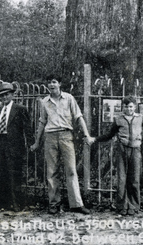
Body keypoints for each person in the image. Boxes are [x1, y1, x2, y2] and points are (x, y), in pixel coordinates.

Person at [87, 96, 143, 216]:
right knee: (121, 179)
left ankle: (134, 206)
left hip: (135, 150)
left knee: (134, 179)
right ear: (122, 107)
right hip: (122, 150)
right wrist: (95, 139)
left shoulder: (140, 118)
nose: (128, 109)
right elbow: (109, 135)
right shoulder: (118, 119)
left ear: (134, 107)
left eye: (130, 106)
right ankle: (122, 206)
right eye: (126, 106)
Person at [30, 75, 92, 215]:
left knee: (71, 170)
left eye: (54, 82)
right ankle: (54, 204)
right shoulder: (45, 101)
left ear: (59, 84)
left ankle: (76, 204)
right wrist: (37, 141)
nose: (51, 85)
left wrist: (86, 134)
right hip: (50, 137)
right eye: (49, 82)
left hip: (66, 136)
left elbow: (78, 117)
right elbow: (42, 122)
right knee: (52, 172)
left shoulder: (69, 98)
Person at [0, 82, 30, 211]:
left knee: (14, 175)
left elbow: (27, 128)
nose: (4, 97)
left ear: (12, 95)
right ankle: (3, 203)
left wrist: (31, 143)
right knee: (2, 174)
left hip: (15, 145)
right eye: (2, 95)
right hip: (1, 144)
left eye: (7, 95)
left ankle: (17, 203)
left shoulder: (20, 109)